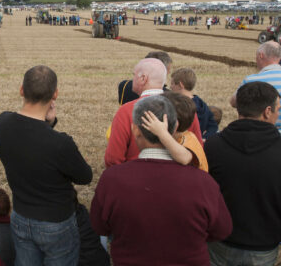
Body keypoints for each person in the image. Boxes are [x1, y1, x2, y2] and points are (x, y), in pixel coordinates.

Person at [91, 95, 232, 265]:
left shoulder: (112, 179)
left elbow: (100, 227)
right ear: (175, 129)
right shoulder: (203, 182)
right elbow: (221, 230)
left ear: (135, 130)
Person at [0, 65, 93, 265]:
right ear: (55, 94)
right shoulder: (61, 143)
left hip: (20, 216)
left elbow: (30, 142)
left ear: (21, 90)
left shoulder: (2, 123)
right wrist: (50, 124)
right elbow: (85, 177)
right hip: (56, 224)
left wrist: (47, 124)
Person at [206, 81, 281, 265]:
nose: (279, 113)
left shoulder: (213, 145)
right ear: (267, 111)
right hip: (262, 241)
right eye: (278, 109)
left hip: (220, 237)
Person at [106, 58, 203, 168]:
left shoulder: (126, 111)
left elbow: (113, 159)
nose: (132, 79)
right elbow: (198, 152)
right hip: (179, 180)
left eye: (134, 75)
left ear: (143, 78)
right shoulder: (185, 108)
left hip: (135, 178)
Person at [230, 41, 281, 136]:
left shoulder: (251, 80)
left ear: (261, 55)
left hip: (259, 134)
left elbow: (233, 102)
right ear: (280, 56)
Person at [144, 91, 209, 172]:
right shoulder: (177, 139)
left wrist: (162, 134)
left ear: (174, 125)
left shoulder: (189, 140)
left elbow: (185, 158)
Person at [170, 67, 218, 139]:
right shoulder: (202, 104)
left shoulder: (180, 107)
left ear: (180, 85)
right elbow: (213, 125)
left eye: (172, 84)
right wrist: (204, 138)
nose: (170, 87)